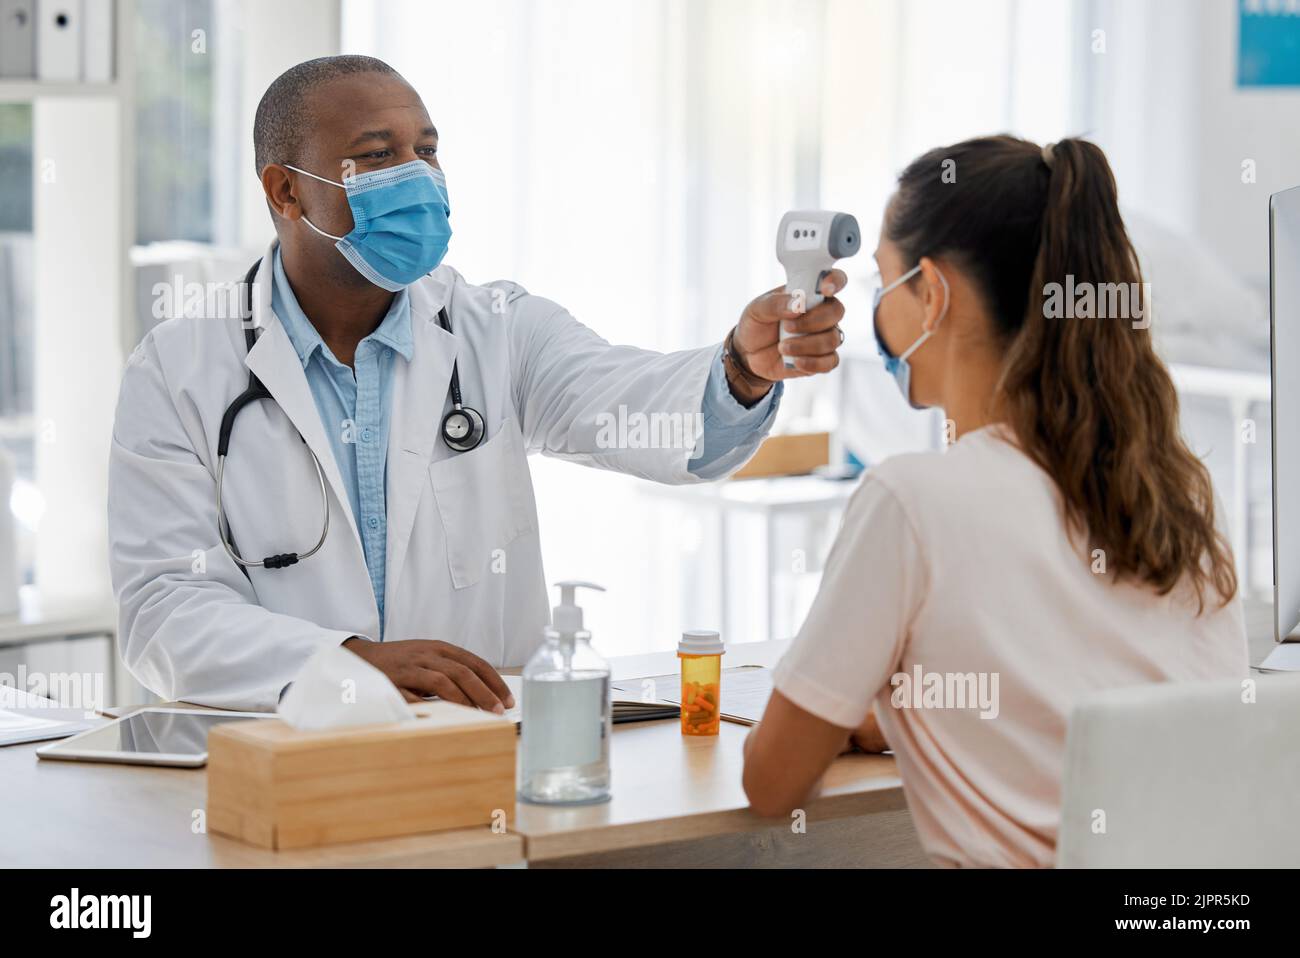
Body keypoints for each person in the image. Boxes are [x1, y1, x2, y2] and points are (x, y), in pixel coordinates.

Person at [108, 56, 849, 712]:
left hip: (474, 758)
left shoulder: (496, 328)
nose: (420, 177)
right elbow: (163, 606)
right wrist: (343, 665)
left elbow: (633, 405)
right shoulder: (179, 370)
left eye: (426, 152)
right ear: (285, 192)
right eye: (380, 155)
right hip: (280, 764)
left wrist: (740, 369)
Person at [741, 135, 1248, 867]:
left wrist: (870, 698)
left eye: (885, 285)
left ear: (934, 294)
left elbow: (770, 783)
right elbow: (1075, 697)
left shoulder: (909, 502)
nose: (875, 317)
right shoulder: (1180, 493)